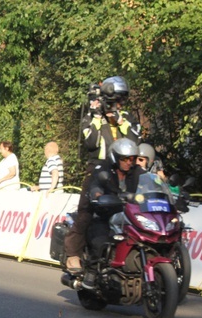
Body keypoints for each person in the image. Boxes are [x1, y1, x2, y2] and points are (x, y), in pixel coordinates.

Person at [64, 75, 141, 274]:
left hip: (124, 169)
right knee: (87, 211)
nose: (120, 104)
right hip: (98, 169)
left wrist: (119, 119)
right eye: (117, 100)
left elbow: (135, 140)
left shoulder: (127, 118)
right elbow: (91, 143)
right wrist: (97, 117)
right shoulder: (91, 118)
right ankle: (73, 254)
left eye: (123, 100)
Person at [82, 138, 146, 288]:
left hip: (130, 216)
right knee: (100, 240)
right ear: (115, 157)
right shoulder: (103, 169)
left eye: (132, 159)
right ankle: (91, 272)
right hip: (106, 213)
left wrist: (164, 188)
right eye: (125, 159)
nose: (129, 162)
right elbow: (96, 184)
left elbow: (152, 181)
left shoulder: (137, 172)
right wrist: (97, 194)